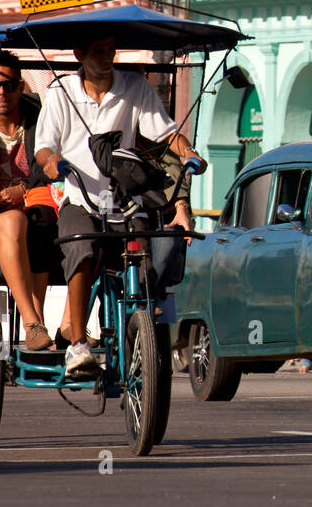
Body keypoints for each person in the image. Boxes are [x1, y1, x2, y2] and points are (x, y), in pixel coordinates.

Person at [35, 31, 205, 375]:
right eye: (99, 51)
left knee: (149, 251)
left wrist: (188, 152)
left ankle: (142, 320)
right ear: (79, 53)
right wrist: (55, 164)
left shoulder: (135, 88)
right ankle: (78, 343)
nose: (108, 57)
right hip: (80, 197)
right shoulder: (60, 92)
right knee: (81, 249)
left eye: (112, 50)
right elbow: (44, 147)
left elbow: (166, 134)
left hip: (125, 200)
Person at [0, 51, 56, 351]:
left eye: (8, 85)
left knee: (47, 219)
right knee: (13, 220)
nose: (1, 93)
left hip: (36, 214)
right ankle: (33, 323)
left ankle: (60, 326)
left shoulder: (39, 124)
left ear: (21, 87)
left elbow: (49, 171)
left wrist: (21, 190)